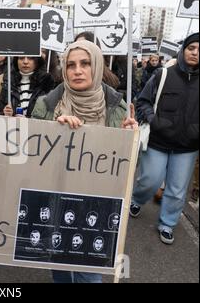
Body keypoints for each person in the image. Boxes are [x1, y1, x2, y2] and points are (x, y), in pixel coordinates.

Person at [31, 40, 137, 283]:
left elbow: (128, 167)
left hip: (96, 203)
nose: (77, 70)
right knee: (58, 261)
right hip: (55, 197)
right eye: (71, 65)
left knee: (88, 270)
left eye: (85, 63)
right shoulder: (46, 105)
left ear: (98, 66)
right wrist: (54, 130)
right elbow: (31, 155)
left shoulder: (117, 107)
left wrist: (130, 139)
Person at [130, 33, 199, 245]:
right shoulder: (163, 75)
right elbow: (143, 102)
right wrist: (154, 120)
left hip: (187, 147)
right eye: (192, 47)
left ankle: (168, 223)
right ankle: (137, 199)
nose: (196, 53)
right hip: (158, 142)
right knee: (150, 180)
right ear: (183, 49)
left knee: (177, 190)